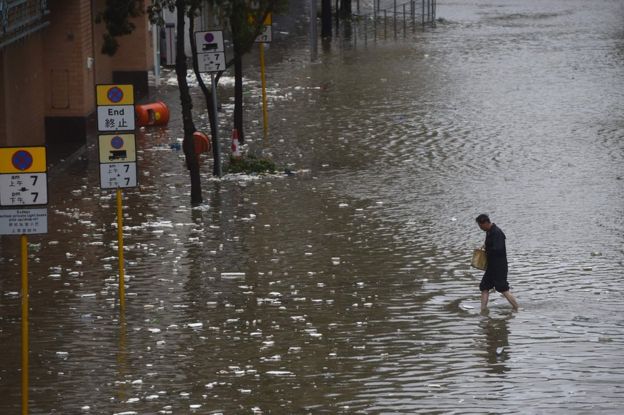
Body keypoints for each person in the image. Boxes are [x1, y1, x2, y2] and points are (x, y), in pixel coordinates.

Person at [475, 214, 519, 311]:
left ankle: (517, 308)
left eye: (481, 226)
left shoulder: (497, 232)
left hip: (499, 266)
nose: (480, 228)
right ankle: (483, 309)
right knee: (484, 286)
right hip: (491, 266)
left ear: (486, 223)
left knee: (503, 288)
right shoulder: (489, 232)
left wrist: (487, 250)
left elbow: (498, 249)